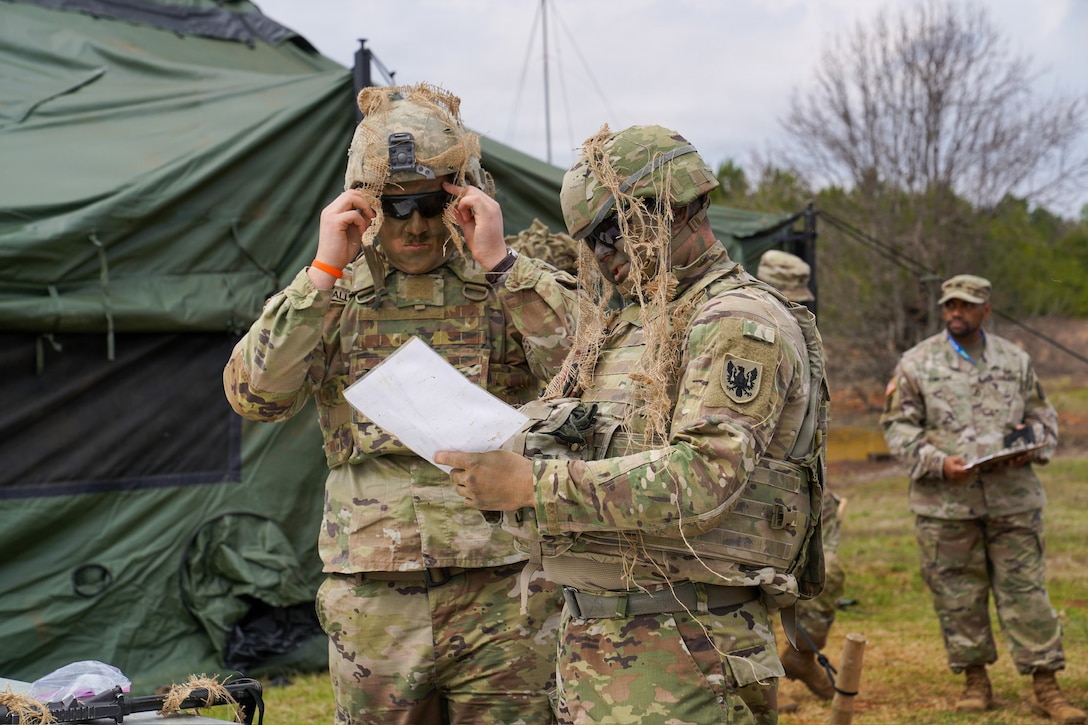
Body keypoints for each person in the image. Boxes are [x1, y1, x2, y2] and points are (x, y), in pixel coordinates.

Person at [437, 124, 829, 724]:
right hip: (604, 644)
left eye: (613, 232)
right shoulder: (630, 327)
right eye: (591, 241)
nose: (602, 257)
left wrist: (531, 486)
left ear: (676, 207)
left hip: (687, 649)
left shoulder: (736, 322)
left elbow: (702, 477)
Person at [223, 83, 576, 725]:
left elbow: (587, 375)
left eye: (431, 204)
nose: (414, 224)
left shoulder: (504, 282)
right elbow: (255, 394)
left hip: (504, 587)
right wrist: (322, 275)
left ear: (463, 195)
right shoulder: (331, 296)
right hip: (376, 595)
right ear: (362, 203)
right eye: (396, 205)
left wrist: (502, 264)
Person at [881, 274, 1085, 724]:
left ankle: (1045, 683)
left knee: (1026, 590)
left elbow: (1042, 416)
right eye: (950, 305)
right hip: (945, 503)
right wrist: (937, 462)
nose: (957, 312)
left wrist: (1033, 444)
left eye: (967, 305)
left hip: (1013, 499)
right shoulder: (917, 363)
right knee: (958, 593)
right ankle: (975, 679)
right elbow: (898, 427)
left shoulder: (1015, 361)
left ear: (985, 311)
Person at [756, 250, 844, 707]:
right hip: (761, 481)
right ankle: (761, 686)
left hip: (807, 476)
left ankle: (801, 655)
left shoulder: (804, 332)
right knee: (754, 587)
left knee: (830, 574)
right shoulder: (750, 328)